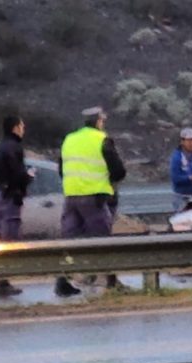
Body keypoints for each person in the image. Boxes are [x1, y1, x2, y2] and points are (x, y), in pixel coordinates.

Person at [54, 107, 127, 297]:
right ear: (98, 122)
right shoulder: (102, 140)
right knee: (102, 240)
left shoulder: (69, 139)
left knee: (70, 242)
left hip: (70, 197)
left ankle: (62, 281)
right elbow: (119, 171)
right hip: (94, 197)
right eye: (102, 121)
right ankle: (110, 282)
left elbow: (61, 169)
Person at [0, 115, 33, 298]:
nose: (24, 129)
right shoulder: (14, 148)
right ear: (15, 128)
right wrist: (29, 176)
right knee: (9, 241)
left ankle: (1, 281)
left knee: (1, 238)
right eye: (22, 126)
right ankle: (2, 283)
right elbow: (17, 175)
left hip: (0, 195)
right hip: (10, 199)